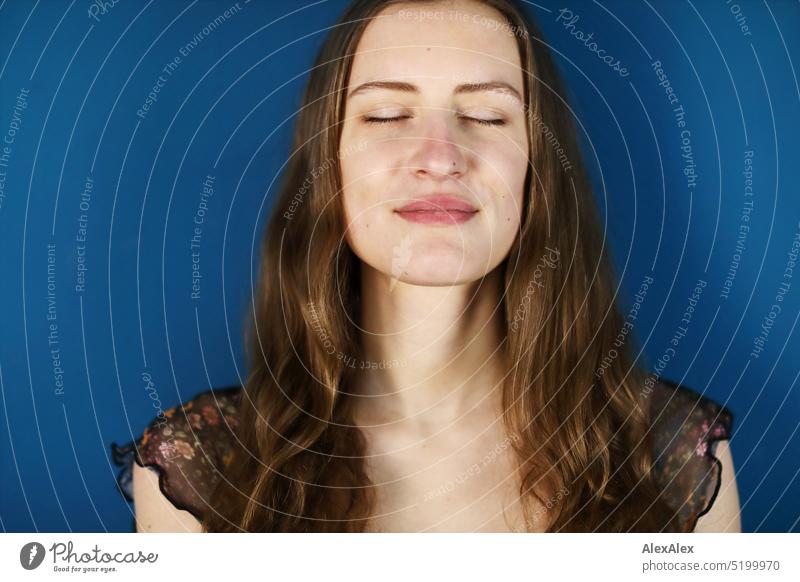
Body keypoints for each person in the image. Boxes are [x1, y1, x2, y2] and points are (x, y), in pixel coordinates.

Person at [112, 0, 741, 533]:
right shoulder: (201, 466)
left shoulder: (671, 455)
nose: (440, 158)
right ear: (330, 166)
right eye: (386, 115)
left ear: (536, 170)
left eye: (487, 116)